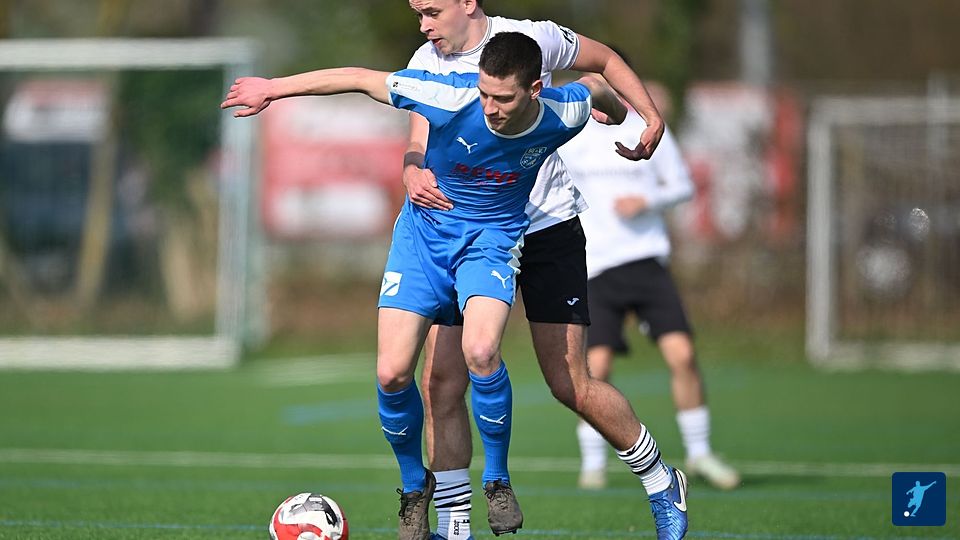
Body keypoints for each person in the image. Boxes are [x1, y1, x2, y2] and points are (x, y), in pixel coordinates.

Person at [221, 32, 641, 540]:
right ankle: (413, 486)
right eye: (484, 93)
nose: (488, 108)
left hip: (490, 243)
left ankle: (497, 480)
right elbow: (357, 78)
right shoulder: (450, 94)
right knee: (392, 372)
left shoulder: (561, 112)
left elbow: (595, 85)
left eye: (502, 98)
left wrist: (623, 113)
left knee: (481, 351)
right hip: (423, 240)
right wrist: (273, 88)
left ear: (534, 90)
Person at [400, 3, 687, 540]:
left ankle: (659, 479)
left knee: (569, 383)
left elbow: (602, 63)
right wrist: (411, 170)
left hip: (546, 228)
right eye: (418, 12)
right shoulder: (426, 60)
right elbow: (418, 138)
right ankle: (455, 528)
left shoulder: (531, 39)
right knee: (441, 380)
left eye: (431, 10)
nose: (423, 24)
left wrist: (648, 116)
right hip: (468, 232)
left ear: (467, 2)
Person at [557, 75, 741, 492]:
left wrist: (647, 200)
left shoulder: (645, 126)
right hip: (593, 265)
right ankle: (593, 463)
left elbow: (682, 185)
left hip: (645, 260)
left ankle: (699, 454)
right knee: (596, 368)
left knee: (683, 355)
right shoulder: (570, 129)